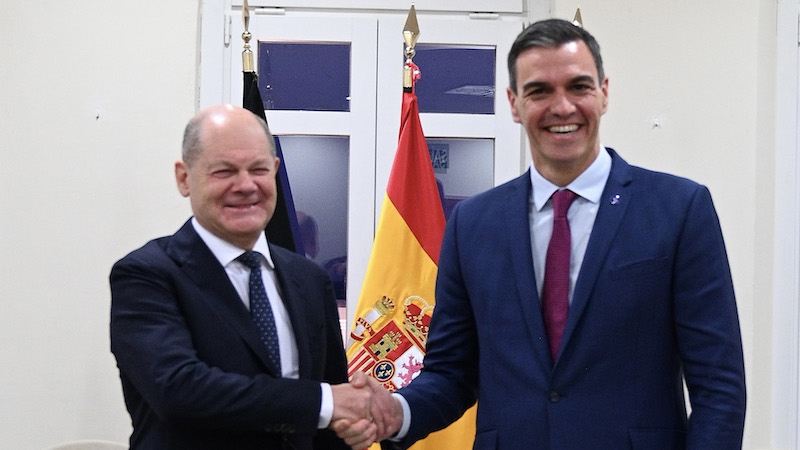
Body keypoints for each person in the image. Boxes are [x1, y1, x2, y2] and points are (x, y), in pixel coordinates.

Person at [336, 18, 747, 449]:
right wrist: (396, 412)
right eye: (539, 91)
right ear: (514, 103)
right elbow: (452, 374)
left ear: (604, 93)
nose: (562, 107)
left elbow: (719, 385)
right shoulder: (473, 225)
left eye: (578, 87)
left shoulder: (678, 210)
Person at [110, 104, 383, 449]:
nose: (245, 185)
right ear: (183, 178)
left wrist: (348, 427)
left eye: (258, 169)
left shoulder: (309, 279)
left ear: (276, 172)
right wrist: (326, 404)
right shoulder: (146, 275)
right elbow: (179, 391)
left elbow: (328, 411)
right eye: (224, 171)